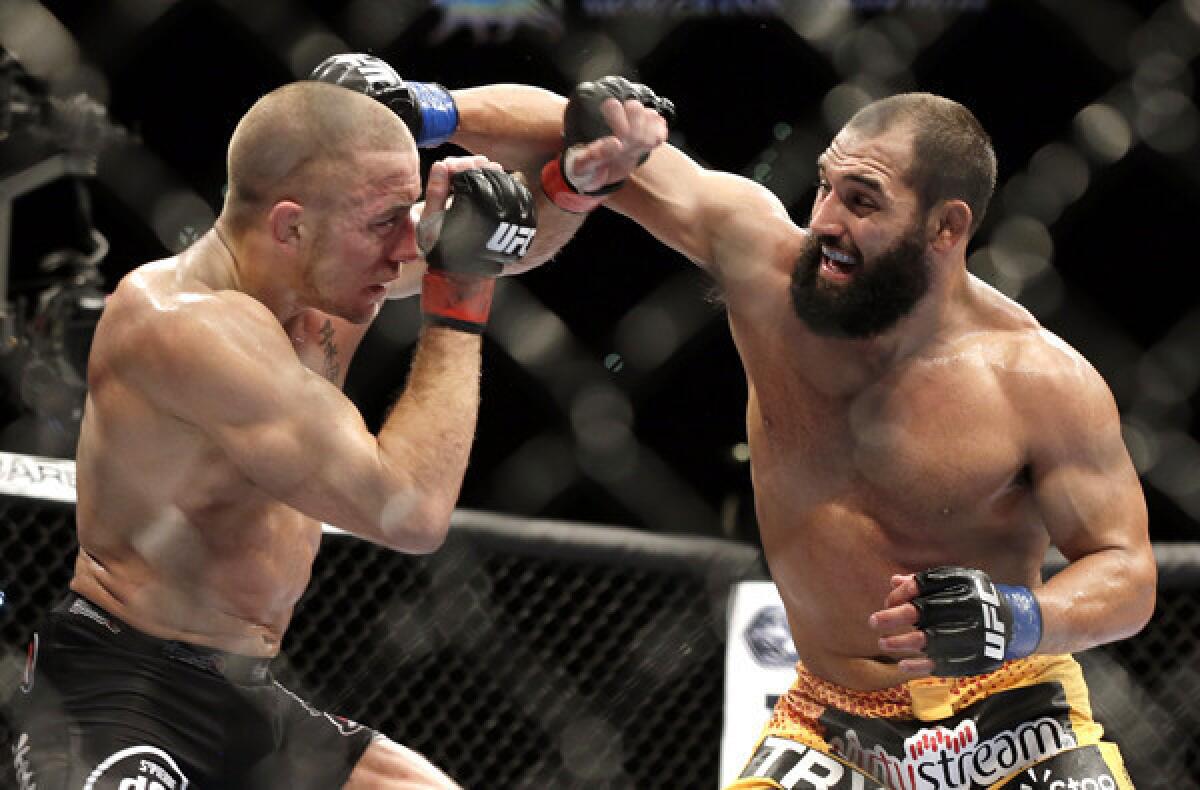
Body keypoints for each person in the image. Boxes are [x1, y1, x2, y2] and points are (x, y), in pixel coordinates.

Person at [437, 78, 1157, 787]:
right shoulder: (768, 272)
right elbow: (577, 127)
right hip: (835, 725)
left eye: (863, 201)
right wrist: (425, 106)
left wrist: (1017, 617)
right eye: (826, 187)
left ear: (946, 227)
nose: (825, 222)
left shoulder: (1039, 380)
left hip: (1011, 720)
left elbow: (1128, 574)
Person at [9, 73, 668, 789]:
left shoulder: (325, 274)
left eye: (409, 215)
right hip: (117, 688)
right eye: (386, 223)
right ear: (291, 224)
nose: (404, 245)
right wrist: (460, 293)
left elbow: (505, 230)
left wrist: (573, 180)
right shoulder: (181, 323)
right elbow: (410, 512)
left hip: (244, 691)